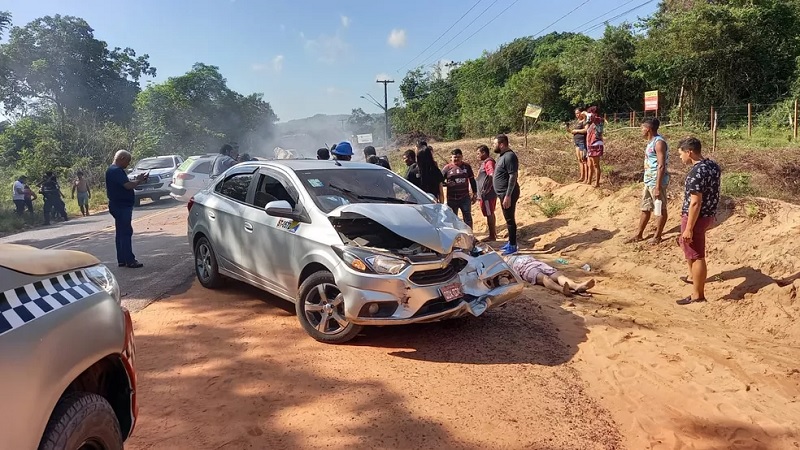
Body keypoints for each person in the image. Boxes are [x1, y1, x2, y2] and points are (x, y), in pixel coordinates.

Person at [676, 137, 721, 305]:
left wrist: (689, 228)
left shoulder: (696, 173)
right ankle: (692, 279)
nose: (680, 158)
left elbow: (695, 202)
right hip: (708, 215)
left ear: (689, 152)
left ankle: (697, 295)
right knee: (692, 252)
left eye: (681, 154)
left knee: (697, 256)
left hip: (696, 217)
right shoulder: (713, 166)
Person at [626, 118, 669, 245]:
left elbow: (661, 166)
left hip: (656, 182)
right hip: (648, 181)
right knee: (645, 208)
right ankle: (639, 235)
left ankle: (657, 236)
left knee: (659, 209)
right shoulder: (651, 142)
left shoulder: (659, 143)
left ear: (648, 129)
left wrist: (657, 186)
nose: (641, 130)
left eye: (642, 128)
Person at [106, 150, 148, 268]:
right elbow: (128, 185)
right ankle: (130, 260)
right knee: (125, 232)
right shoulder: (116, 171)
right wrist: (139, 180)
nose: (128, 164)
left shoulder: (112, 170)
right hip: (121, 206)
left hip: (117, 205)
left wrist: (139, 180)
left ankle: (122, 259)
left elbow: (126, 183)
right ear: (122, 158)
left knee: (120, 233)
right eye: (127, 161)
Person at [505, 254, 595, 296]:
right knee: (545, 278)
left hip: (538, 264)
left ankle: (577, 286)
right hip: (526, 269)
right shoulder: (507, 265)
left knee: (559, 275)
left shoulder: (521, 256)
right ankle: (561, 289)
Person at [493, 134, 520, 255]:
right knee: (507, 218)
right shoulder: (502, 156)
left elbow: (513, 176)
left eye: (495, 144)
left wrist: (508, 195)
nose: (493, 146)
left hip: (508, 193)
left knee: (509, 219)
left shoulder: (510, 156)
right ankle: (510, 242)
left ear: (502, 144)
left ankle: (513, 246)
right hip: (502, 192)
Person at [441, 148, 477, 228]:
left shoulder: (467, 167)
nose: (456, 159)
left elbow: (472, 180)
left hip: (464, 197)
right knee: (453, 218)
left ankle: (470, 236)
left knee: (467, 217)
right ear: (451, 157)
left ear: (462, 157)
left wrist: (475, 193)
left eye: (458, 157)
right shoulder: (447, 168)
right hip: (452, 198)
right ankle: (456, 237)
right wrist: (447, 184)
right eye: (454, 157)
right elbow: (439, 181)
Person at [476, 144, 497, 241]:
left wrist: (486, 190)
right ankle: (492, 234)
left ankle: (492, 236)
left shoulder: (489, 162)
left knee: (490, 213)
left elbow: (491, 175)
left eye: (478, 153)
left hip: (488, 195)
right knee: (489, 213)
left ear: (484, 153)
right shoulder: (484, 162)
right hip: (484, 194)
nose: (477, 156)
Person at [585, 106, 604, 187]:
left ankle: (597, 183)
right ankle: (589, 181)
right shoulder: (592, 123)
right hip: (591, 145)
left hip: (596, 145)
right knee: (590, 164)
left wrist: (585, 113)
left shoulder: (599, 120)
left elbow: (592, 117)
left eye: (591, 112)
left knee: (596, 165)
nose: (589, 115)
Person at [570, 108, 589, 183]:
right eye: (576, 113)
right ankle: (582, 176)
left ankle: (586, 178)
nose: (577, 115)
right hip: (576, 142)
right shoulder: (577, 122)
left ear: (581, 113)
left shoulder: (585, 121)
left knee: (584, 159)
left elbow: (585, 130)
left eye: (578, 113)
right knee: (579, 160)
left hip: (582, 142)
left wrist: (577, 131)